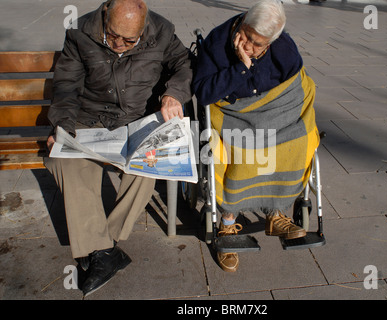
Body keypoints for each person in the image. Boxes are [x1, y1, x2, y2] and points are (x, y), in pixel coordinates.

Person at [44, 0, 192, 296]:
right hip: (89, 119)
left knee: (149, 165)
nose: (120, 45)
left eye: (130, 40)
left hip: (137, 120)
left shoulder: (162, 30)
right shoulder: (79, 32)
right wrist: (63, 127)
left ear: (144, 27)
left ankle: (100, 245)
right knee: (65, 162)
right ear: (105, 16)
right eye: (113, 37)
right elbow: (66, 86)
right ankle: (106, 251)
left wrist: (173, 94)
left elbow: (184, 64)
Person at [192, 0, 319, 272]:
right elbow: (203, 92)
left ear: (272, 42)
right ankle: (227, 222)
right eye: (247, 36)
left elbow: (297, 87)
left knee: (296, 141)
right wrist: (241, 67)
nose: (249, 46)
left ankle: (275, 212)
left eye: (258, 44)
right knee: (241, 148)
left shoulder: (284, 48)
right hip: (233, 116)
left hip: (276, 115)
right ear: (243, 22)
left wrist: (280, 113)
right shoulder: (217, 43)